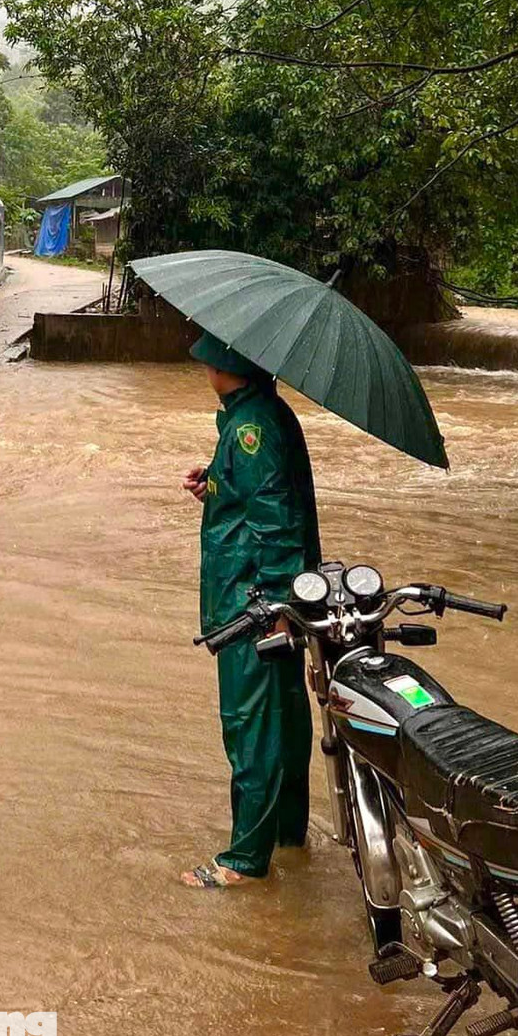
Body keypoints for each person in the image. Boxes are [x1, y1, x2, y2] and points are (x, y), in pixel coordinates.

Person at [180, 332, 321, 889]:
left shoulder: (249, 429)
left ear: (226, 366)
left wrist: (277, 605)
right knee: (284, 721)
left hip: (252, 605)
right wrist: (214, 485)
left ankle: (243, 861)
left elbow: (277, 525)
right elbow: (262, 503)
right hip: (270, 602)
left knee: (252, 726)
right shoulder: (262, 416)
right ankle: (287, 836)